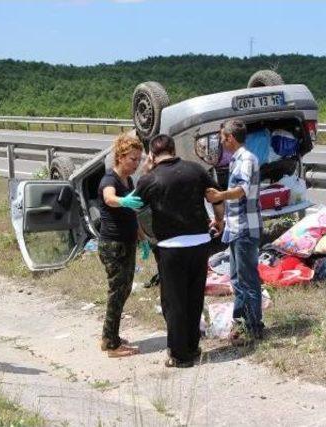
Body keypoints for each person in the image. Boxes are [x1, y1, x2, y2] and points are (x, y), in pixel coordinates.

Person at [135, 134, 224, 368]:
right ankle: (193, 347)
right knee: (194, 296)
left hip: (171, 247)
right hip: (199, 242)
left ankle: (179, 355)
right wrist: (219, 221)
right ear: (174, 149)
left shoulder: (150, 179)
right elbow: (215, 197)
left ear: (152, 155)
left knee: (174, 301)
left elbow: (134, 206)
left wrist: (145, 172)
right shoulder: (195, 170)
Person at [205, 119, 264, 345]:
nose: (221, 141)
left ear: (230, 138)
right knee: (237, 278)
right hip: (236, 226)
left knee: (248, 279)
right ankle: (241, 323)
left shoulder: (246, 159)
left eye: (222, 137)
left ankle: (254, 326)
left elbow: (241, 191)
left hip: (245, 229)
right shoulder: (235, 161)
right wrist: (221, 222)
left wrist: (219, 196)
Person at [98, 133, 149, 358]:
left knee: (124, 290)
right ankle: (111, 345)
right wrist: (122, 200)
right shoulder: (110, 180)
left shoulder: (128, 181)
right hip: (113, 245)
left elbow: (131, 213)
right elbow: (109, 198)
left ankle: (110, 336)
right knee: (117, 293)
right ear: (120, 157)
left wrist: (141, 235)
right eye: (132, 159)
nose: (135, 164)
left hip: (127, 242)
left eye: (138, 159)